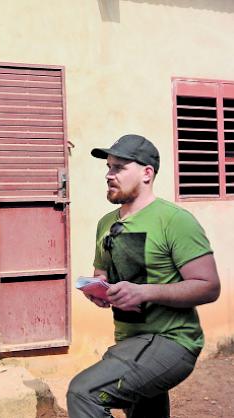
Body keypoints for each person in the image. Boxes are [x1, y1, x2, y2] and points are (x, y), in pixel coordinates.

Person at [66, 134, 221, 418]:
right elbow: (102, 274)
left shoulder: (174, 220)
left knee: (84, 393)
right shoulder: (106, 224)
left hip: (172, 341)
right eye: (108, 167)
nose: (109, 175)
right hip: (130, 341)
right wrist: (98, 291)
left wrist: (145, 292)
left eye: (119, 167)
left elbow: (209, 286)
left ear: (146, 173)